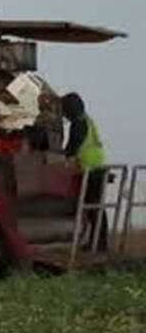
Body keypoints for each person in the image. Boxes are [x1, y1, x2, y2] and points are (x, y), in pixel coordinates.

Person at [61, 92, 108, 251]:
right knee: (96, 207)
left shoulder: (78, 123)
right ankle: (98, 242)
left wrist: (60, 157)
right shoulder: (87, 119)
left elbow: (73, 147)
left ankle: (98, 244)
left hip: (89, 168)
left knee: (92, 207)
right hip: (98, 165)